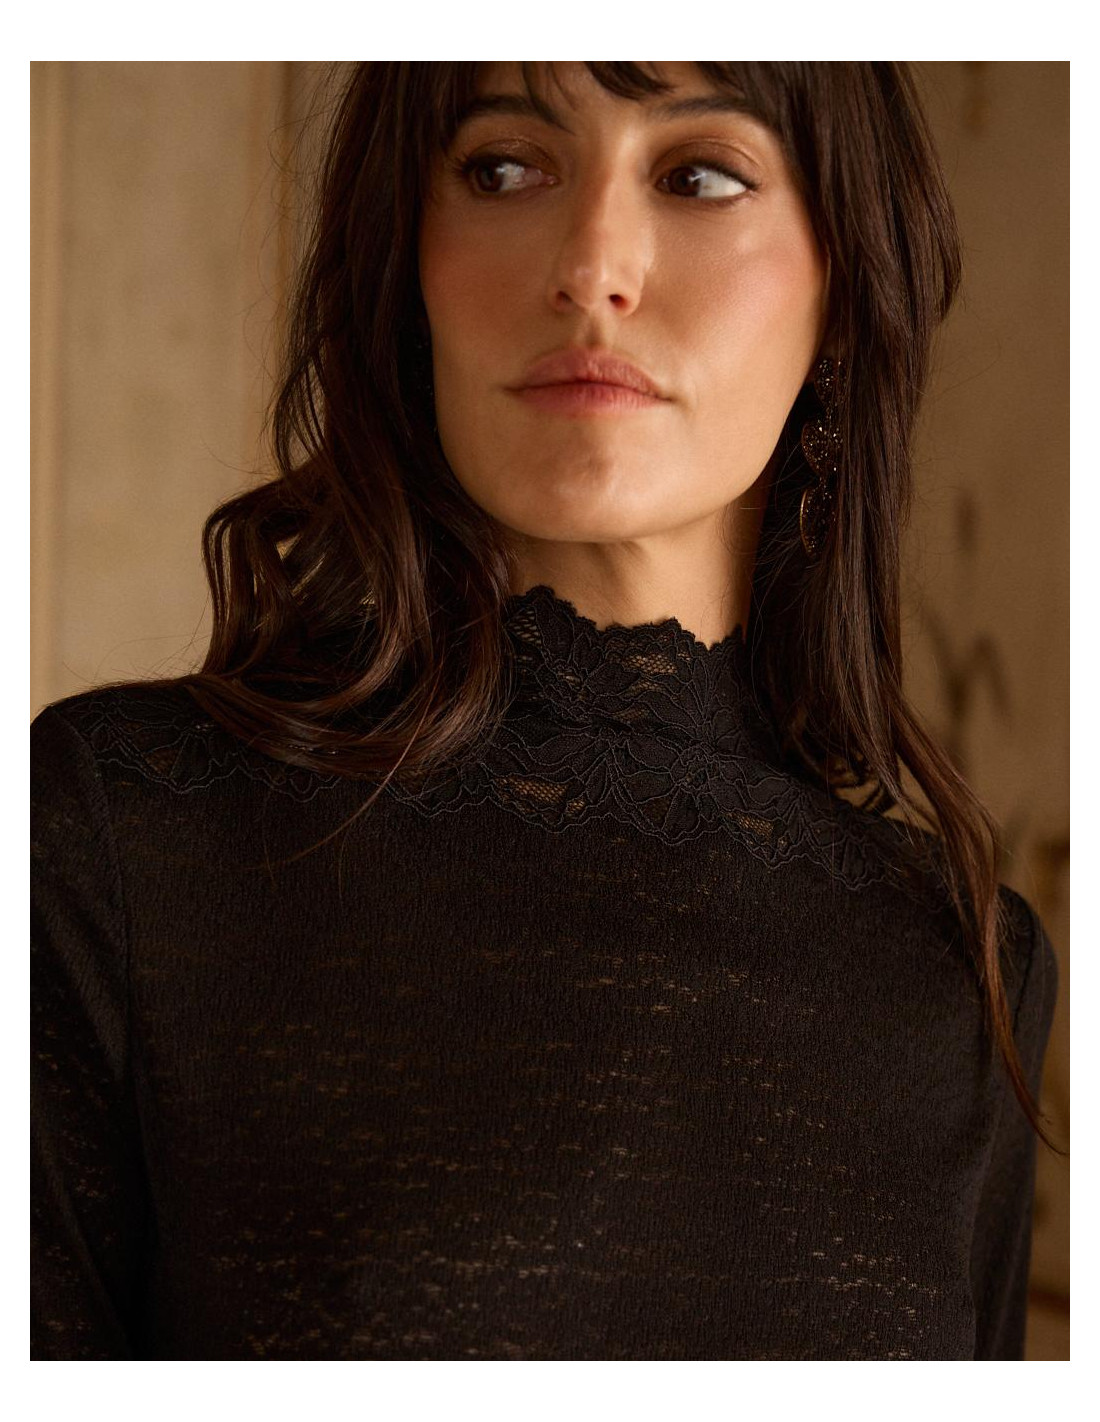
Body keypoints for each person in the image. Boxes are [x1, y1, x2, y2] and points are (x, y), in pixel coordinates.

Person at [30, 60, 1060, 1361]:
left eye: (700, 176)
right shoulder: (117, 842)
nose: (591, 267)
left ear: (846, 286)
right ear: (409, 258)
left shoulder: (964, 971)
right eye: (505, 167)